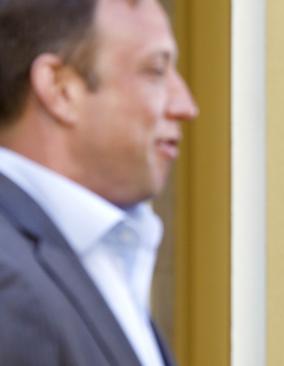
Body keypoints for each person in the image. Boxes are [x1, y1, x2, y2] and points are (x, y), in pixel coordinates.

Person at [0, 0, 198, 365]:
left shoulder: (98, 253)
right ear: (60, 89)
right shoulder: (10, 282)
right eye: (155, 71)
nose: (185, 105)